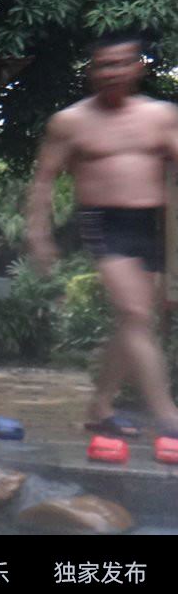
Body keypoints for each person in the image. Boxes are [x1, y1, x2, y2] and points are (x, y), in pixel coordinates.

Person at [27, 33, 178, 439]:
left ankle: (100, 405)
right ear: (92, 71)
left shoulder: (162, 116)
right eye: (104, 64)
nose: (113, 72)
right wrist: (39, 234)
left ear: (138, 67)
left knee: (134, 321)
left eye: (122, 63)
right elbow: (44, 180)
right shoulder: (71, 122)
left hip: (150, 223)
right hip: (103, 222)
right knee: (135, 314)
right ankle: (167, 415)